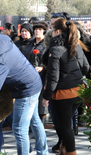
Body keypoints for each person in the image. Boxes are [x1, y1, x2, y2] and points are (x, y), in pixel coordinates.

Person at [42, 19, 89, 155]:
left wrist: (46, 97)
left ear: (57, 32)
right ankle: (63, 150)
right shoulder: (76, 45)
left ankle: (71, 152)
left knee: (65, 128)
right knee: (66, 125)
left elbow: (53, 77)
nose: (50, 32)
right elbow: (85, 67)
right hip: (79, 90)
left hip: (63, 94)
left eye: (52, 29)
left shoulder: (55, 49)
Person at [23, 21, 48, 123]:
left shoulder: (46, 45)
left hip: (41, 77)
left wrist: (42, 67)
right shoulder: (30, 43)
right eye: (36, 29)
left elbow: (50, 62)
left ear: (44, 32)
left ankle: (38, 125)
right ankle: (30, 124)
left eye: (40, 30)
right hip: (29, 76)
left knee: (40, 103)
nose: (37, 31)